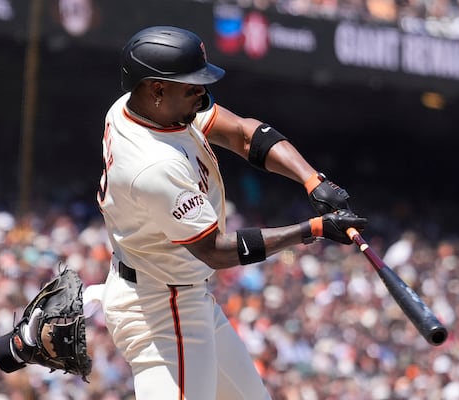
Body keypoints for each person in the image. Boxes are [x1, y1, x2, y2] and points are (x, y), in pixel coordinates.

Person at [97, 25, 367, 400]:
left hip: (180, 294)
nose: (203, 93)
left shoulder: (143, 109)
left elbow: (242, 134)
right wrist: (313, 229)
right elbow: (216, 250)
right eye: (191, 86)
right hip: (163, 311)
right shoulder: (154, 165)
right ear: (157, 89)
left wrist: (313, 182)